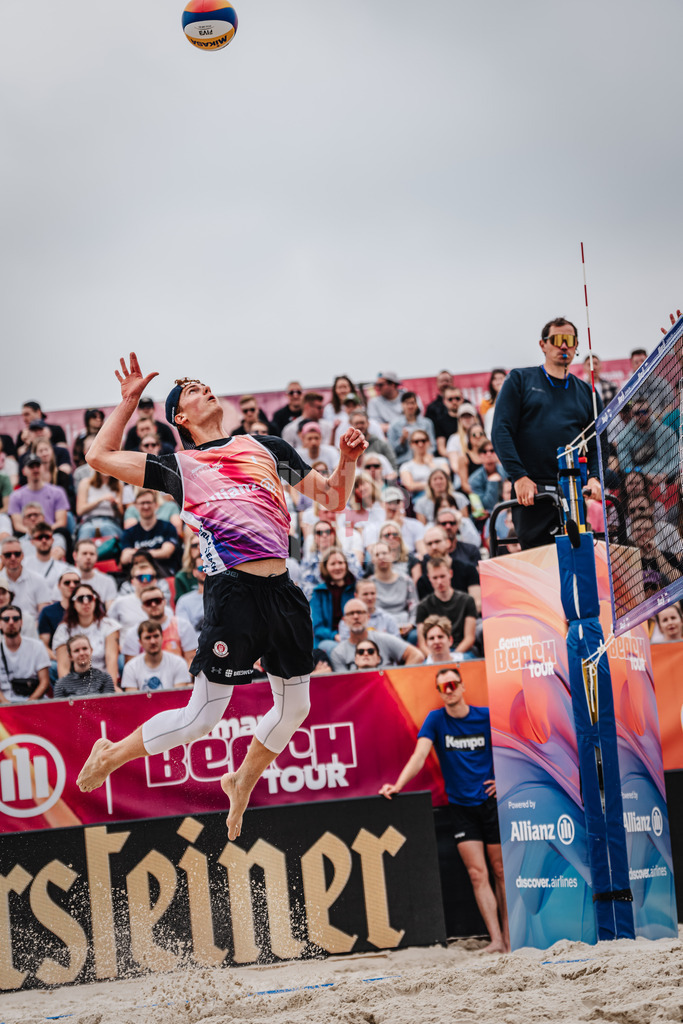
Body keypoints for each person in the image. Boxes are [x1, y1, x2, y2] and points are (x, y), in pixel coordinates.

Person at [75, 354, 367, 843]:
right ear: (180, 417)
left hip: (283, 590)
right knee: (201, 718)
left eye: (204, 384)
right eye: (192, 389)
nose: (204, 388)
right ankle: (111, 754)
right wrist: (129, 402)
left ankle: (240, 780)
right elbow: (98, 457)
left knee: (295, 709)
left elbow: (335, 498)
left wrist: (348, 461)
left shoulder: (266, 446)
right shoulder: (179, 467)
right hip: (233, 593)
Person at [380, 667, 509, 953]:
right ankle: (497, 941)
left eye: (452, 684)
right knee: (477, 874)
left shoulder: (486, 716)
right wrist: (398, 785)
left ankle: (511, 941)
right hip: (461, 806)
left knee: (501, 870)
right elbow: (419, 755)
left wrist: (506, 779)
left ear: (462, 687)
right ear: (439, 692)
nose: (448, 690)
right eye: (442, 687)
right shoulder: (436, 720)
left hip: (491, 804)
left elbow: (514, 747)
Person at [492, 317, 603, 550]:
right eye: (557, 339)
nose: (563, 346)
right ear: (543, 344)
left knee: (577, 558)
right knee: (540, 561)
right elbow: (500, 431)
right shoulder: (520, 379)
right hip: (532, 491)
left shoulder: (587, 392)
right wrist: (519, 476)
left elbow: (598, 441)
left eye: (569, 340)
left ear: (576, 345)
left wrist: (595, 478)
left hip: (572, 490)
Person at [52, 582, 120, 684]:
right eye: (80, 599)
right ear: (73, 603)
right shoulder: (63, 630)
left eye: (90, 598)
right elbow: (63, 667)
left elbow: (111, 661)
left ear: (95, 601)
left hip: (103, 681)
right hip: (75, 683)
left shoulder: (110, 626)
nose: (86, 602)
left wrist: (110, 687)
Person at [330, 599, 423, 672]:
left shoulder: (384, 639)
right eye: (351, 613)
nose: (356, 617)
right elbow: (343, 683)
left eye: (359, 612)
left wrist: (399, 680)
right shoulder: (338, 653)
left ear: (368, 617)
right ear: (344, 620)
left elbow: (416, 655)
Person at [120, 584, 198, 667]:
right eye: (148, 602)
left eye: (157, 601)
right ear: (143, 607)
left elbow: (191, 660)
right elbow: (131, 666)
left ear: (164, 602)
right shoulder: (134, 632)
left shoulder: (182, 626)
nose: (153, 605)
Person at [415, 558, 477, 659]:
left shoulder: (467, 601)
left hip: (461, 651)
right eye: (435, 578)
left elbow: (469, 638)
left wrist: (451, 657)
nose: (439, 581)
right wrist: (435, 658)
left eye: (442, 576)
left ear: (450, 573)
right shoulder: (423, 606)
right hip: (435, 653)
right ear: (429, 578)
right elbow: (422, 644)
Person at [119, 489, 181, 574]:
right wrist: (154, 552)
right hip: (138, 574)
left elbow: (166, 553)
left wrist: (138, 553)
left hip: (164, 572)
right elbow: (124, 558)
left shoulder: (168, 527)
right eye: (142, 503)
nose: (146, 506)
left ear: (155, 505)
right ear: (136, 506)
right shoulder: (129, 532)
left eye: (148, 502)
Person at [309, 549, 357, 655]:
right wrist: (335, 636)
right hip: (328, 640)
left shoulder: (355, 588)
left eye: (340, 563)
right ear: (325, 567)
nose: (337, 567)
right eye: (333, 564)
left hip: (353, 636)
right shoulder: (318, 592)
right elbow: (317, 627)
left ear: (346, 565)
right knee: (337, 650)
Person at [121, 620, 192, 691]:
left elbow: (179, 695)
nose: (153, 641)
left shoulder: (178, 663)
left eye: (156, 636)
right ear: (140, 642)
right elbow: (132, 697)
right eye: (148, 638)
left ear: (162, 637)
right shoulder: (131, 667)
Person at [8, 454, 70, 535]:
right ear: (23, 471)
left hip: (52, 533)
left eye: (38, 466)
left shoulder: (58, 492)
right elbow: (18, 526)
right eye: (31, 467)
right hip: (27, 535)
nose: (35, 469)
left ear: (43, 468)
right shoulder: (16, 496)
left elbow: (61, 522)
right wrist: (35, 534)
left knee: (62, 532)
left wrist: (44, 532)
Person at [0, 605, 50, 703]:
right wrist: (7, 705)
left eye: (15, 618)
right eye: (6, 619)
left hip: (33, 702)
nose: (11, 622)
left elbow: (44, 682)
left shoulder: (37, 646)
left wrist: (29, 703)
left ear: (21, 622)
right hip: (5, 704)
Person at [0, 538, 52, 620]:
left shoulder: (38, 580)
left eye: (17, 554)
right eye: (8, 555)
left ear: (22, 555)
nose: (13, 558)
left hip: (33, 626)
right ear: (1, 557)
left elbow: (44, 615)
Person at [38, 569, 81, 655]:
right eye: (67, 582)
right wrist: (60, 660)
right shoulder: (48, 611)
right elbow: (44, 645)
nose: (72, 585)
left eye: (76, 582)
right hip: (56, 658)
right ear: (59, 586)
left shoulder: (88, 608)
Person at [388, 393, 436, 466]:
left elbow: (432, 445)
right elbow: (391, 451)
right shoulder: (394, 425)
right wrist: (402, 440)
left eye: (412, 403)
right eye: (407, 403)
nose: (410, 406)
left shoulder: (427, 423)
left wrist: (427, 456)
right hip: (404, 462)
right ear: (402, 405)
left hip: (425, 461)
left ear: (417, 405)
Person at [399, 430, 450, 500]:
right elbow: (410, 486)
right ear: (411, 445)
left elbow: (446, 477)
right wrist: (435, 484)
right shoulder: (406, 466)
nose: (420, 444)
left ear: (429, 442)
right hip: (420, 498)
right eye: (416, 442)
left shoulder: (441, 461)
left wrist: (430, 464)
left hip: (443, 495)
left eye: (423, 441)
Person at [76, 470, 124, 540]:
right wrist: (100, 500)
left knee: (107, 529)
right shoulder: (86, 483)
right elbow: (80, 511)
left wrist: (114, 505)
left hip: (110, 520)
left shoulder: (118, 484)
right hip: (89, 521)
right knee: (87, 531)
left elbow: (121, 515)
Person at [72, 539, 118, 608]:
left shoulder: (108, 581)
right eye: (84, 553)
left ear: (96, 557)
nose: (88, 557)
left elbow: (110, 610)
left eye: (92, 554)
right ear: (75, 556)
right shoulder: (66, 581)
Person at [175, 556, 206, 632]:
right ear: (194, 572)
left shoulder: (224, 596)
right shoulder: (184, 601)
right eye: (201, 568)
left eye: (208, 568)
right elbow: (183, 630)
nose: (205, 571)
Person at [479, 369, 507, 437]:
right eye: (495, 379)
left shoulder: (513, 398)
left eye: (501, 378)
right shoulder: (486, 401)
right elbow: (486, 422)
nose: (498, 382)